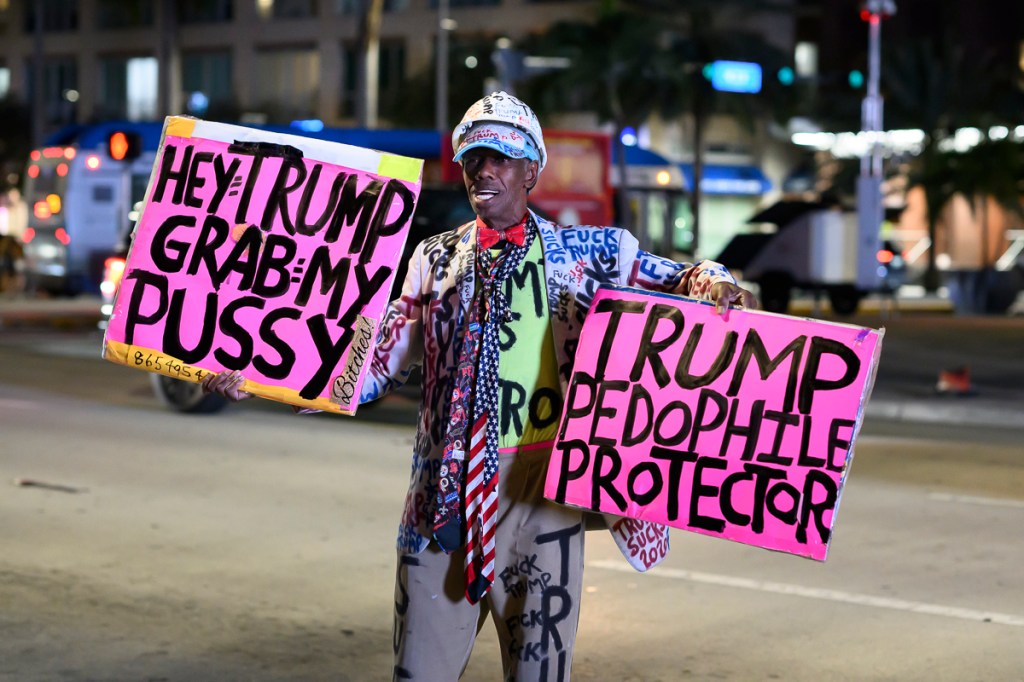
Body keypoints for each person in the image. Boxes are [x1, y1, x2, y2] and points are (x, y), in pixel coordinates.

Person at [205, 91, 757, 681]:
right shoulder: (432, 260)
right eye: (472, 158)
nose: (483, 170)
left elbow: (684, 277)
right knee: (419, 672)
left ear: (531, 171)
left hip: (544, 498)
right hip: (441, 497)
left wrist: (718, 285)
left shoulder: (592, 254)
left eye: (499, 158)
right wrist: (266, 377)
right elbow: (373, 366)